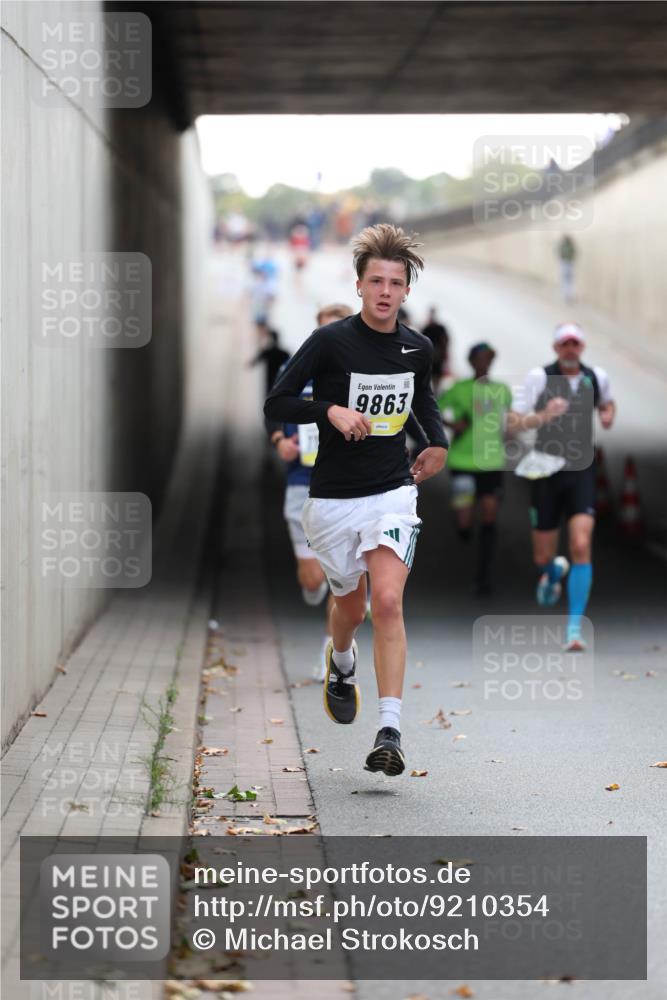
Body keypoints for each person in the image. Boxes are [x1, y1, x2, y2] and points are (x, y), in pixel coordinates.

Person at [265, 223, 448, 776]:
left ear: (407, 289)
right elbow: (278, 402)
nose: (386, 291)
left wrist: (437, 443)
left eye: (396, 282)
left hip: (392, 492)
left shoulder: (418, 347)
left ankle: (389, 729)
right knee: (350, 606)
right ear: (360, 285)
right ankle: (340, 663)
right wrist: (329, 411)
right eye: (376, 281)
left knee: (387, 602)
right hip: (332, 501)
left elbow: (423, 402)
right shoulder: (330, 342)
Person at [507, 322, 616, 651]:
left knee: (581, 543)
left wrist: (608, 415)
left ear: (582, 346)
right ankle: (551, 573)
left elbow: (608, 403)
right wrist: (542, 416)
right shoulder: (540, 378)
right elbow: (513, 423)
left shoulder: (596, 377)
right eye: (564, 344)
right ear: (556, 348)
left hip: (581, 470)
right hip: (546, 470)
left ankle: (573, 630)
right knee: (544, 554)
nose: (571, 349)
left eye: (576, 343)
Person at [267, 303, 354, 681]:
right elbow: (272, 407)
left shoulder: (363, 372)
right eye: (324, 331)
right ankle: (314, 585)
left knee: (340, 577)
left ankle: (330, 653)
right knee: (313, 581)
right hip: (303, 482)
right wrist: (277, 439)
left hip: (347, 486)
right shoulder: (298, 370)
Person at [438, 343, 511, 595]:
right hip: (462, 462)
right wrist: (452, 423)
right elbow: (433, 409)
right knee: (465, 519)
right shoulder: (459, 388)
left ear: (491, 361)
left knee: (490, 514)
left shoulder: (501, 390)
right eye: (478, 359)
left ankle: (484, 574)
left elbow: (511, 419)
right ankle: (464, 529)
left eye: (487, 359)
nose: (483, 363)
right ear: (471, 362)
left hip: (492, 462)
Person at [248, 324, 290, 395]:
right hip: (282, 384)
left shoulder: (267, 352)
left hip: (270, 384)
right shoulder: (285, 354)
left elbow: (253, 363)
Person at [422, 308, 450, 390]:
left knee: (436, 377)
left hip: (437, 357)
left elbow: (445, 341)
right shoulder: (427, 328)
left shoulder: (439, 328)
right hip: (430, 356)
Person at [557, 235, 576, 304]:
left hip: (567, 264)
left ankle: (568, 295)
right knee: (567, 280)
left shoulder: (567, 246)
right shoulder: (566, 246)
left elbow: (561, 254)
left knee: (567, 280)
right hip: (567, 264)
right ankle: (567, 295)